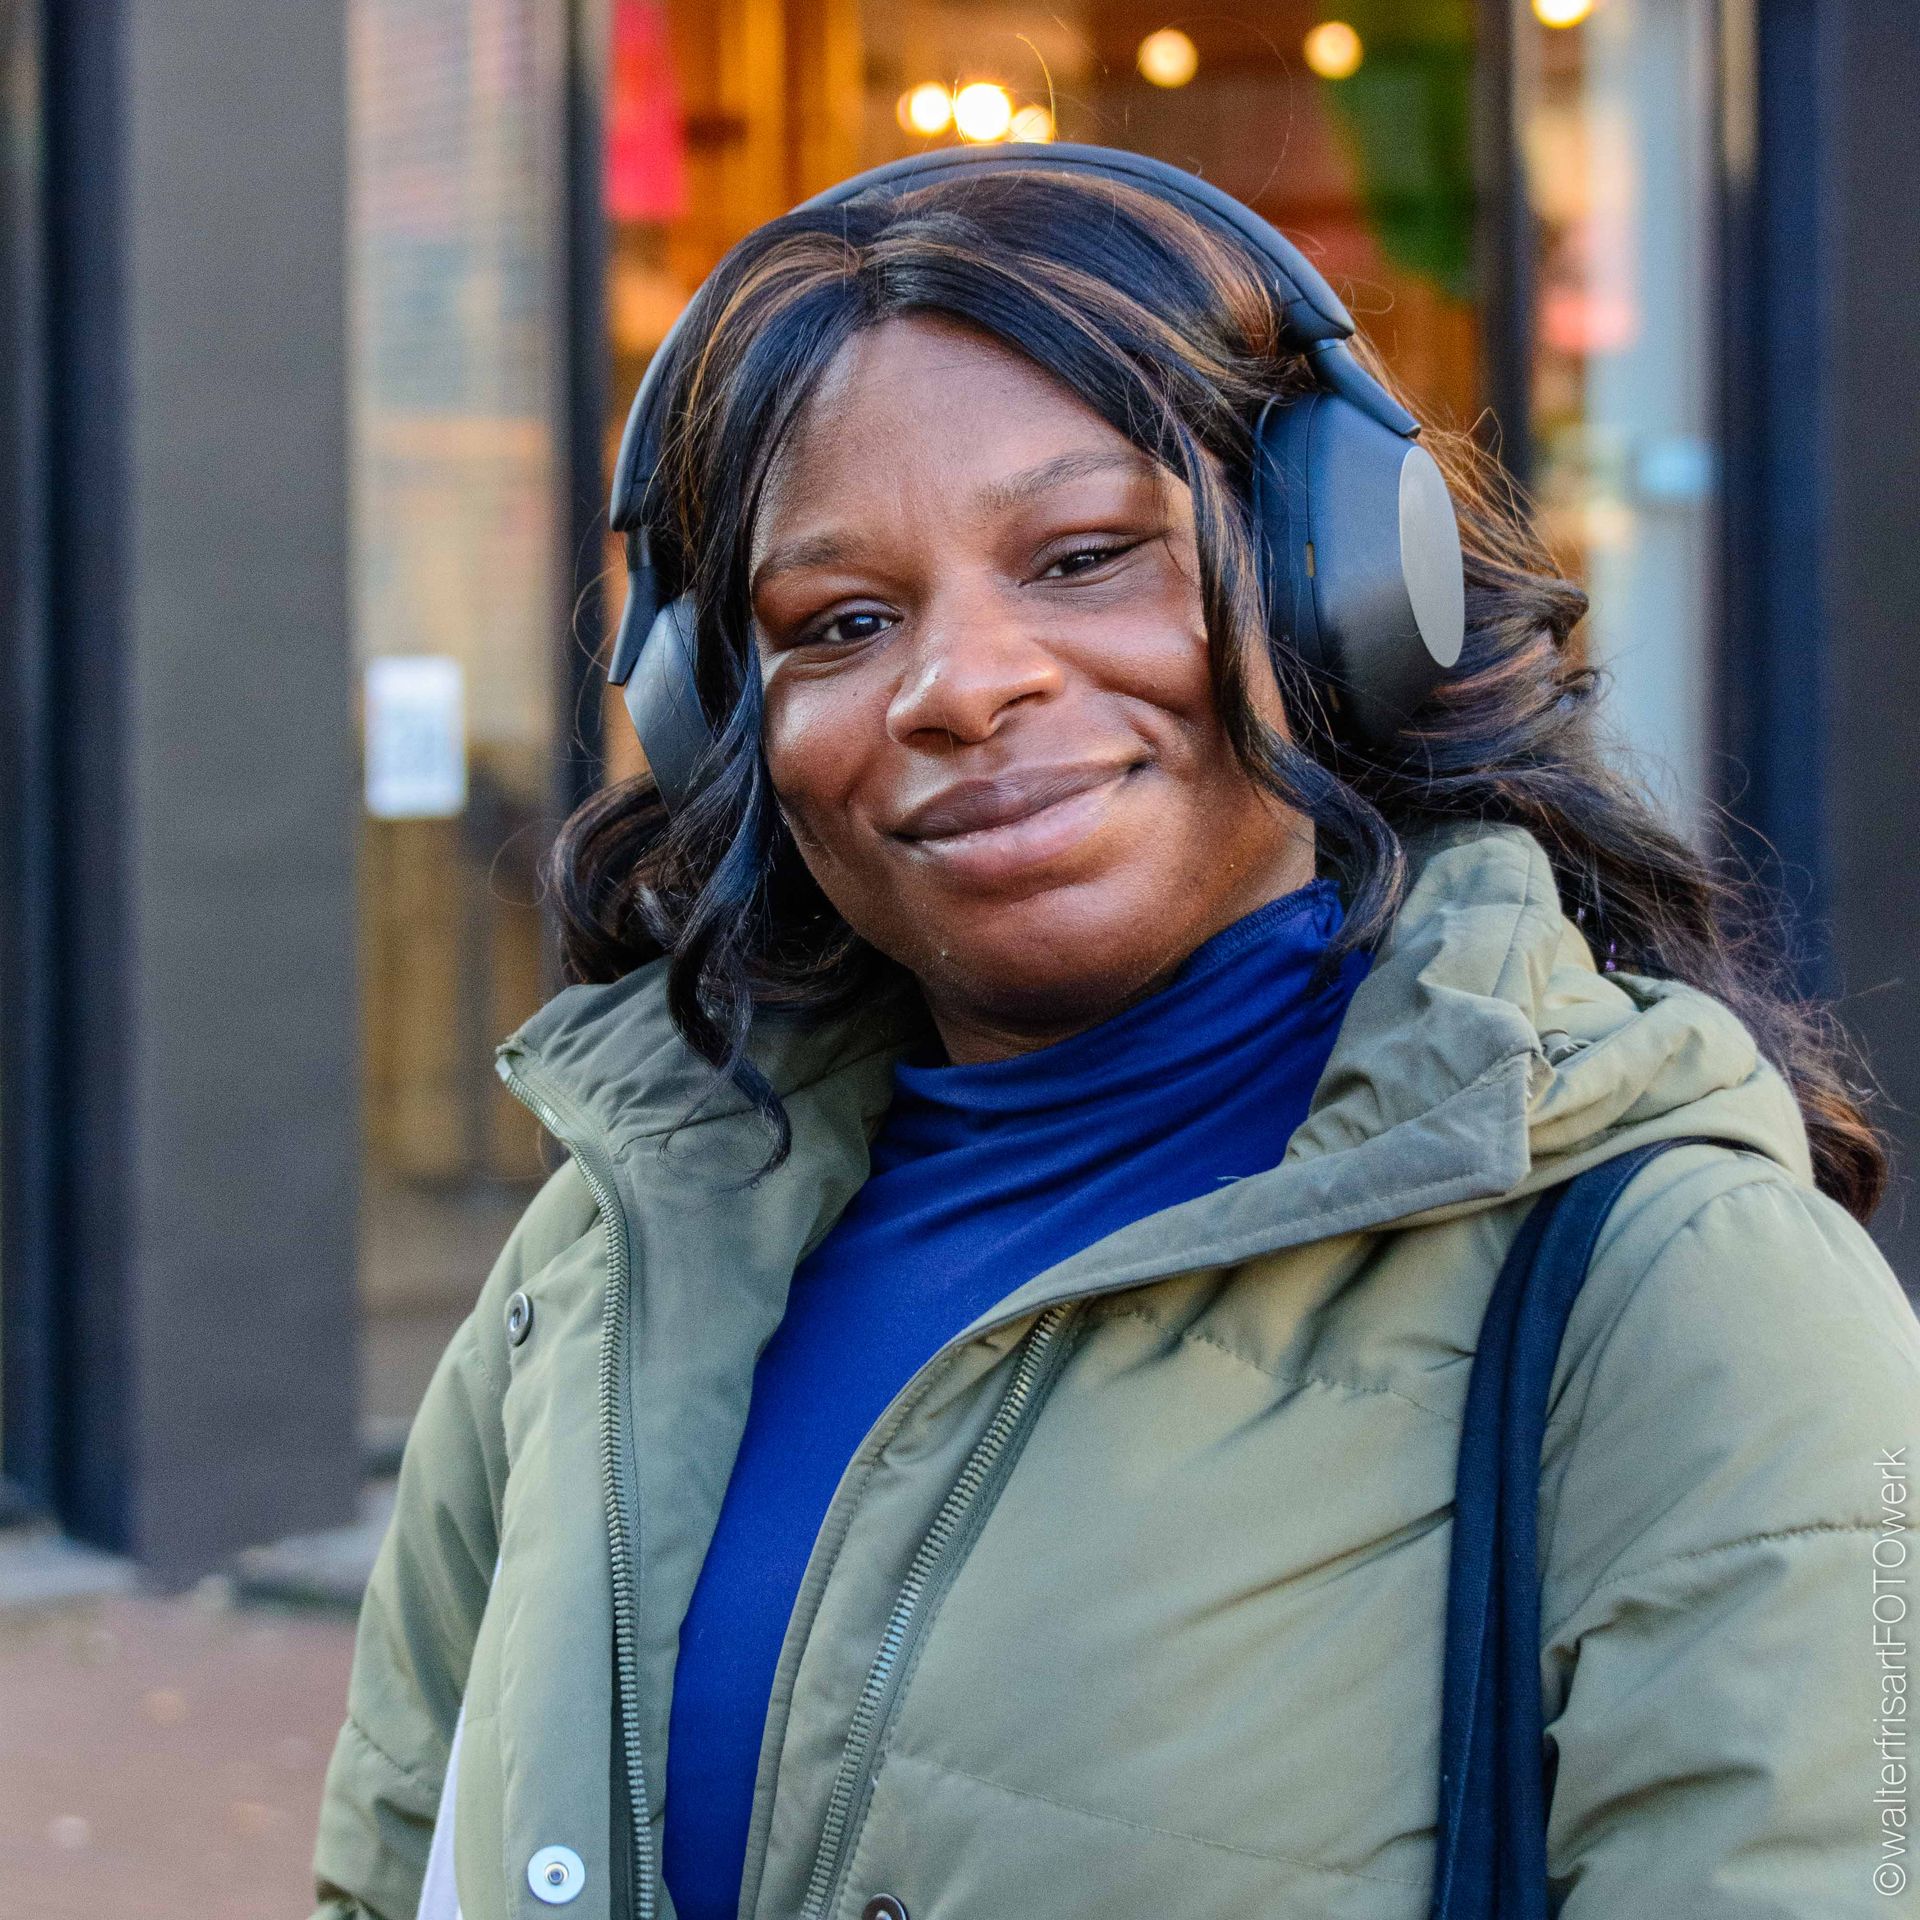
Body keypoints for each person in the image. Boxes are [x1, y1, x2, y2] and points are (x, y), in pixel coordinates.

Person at [313, 156, 1919, 1920]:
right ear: (725, 729)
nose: (963, 683)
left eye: (1084, 559)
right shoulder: (617, 1253)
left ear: (1340, 587)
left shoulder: (1677, 1283)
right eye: (840, 623)